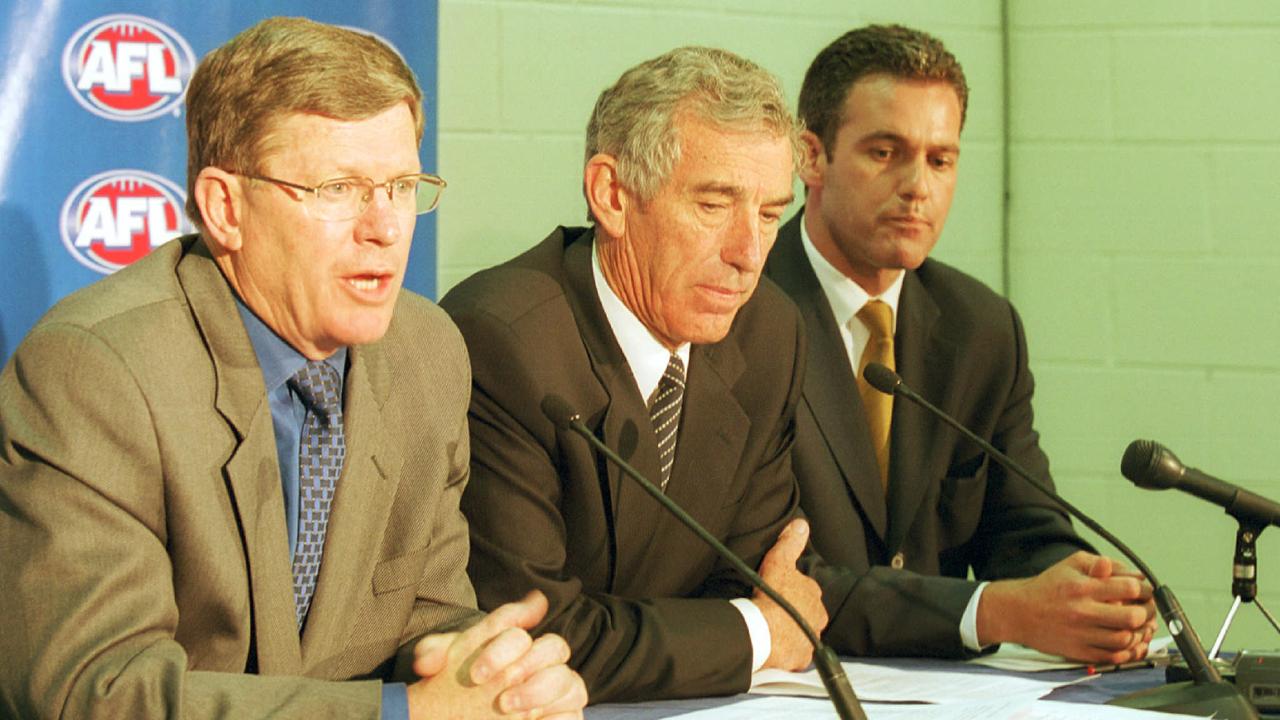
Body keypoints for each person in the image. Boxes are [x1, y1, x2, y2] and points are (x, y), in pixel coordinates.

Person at [0, 17, 584, 720]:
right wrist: (405, 713)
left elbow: (429, 612)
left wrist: (492, 673)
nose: (386, 227)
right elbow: (91, 689)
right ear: (225, 207)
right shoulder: (97, 372)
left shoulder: (426, 350)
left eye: (402, 185)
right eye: (338, 189)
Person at [441, 47, 858, 703]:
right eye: (715, 204)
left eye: (772, 213)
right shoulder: (503, 340)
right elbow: (531, 635)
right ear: (612, 195)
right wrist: (752, 634)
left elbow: (765, 575)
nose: (749, 254)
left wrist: (745, 620)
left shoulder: (767, 330)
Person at [764, 23, 1156, 662]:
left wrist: (1089, 595)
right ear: (811, 157)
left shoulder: (980, 326)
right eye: (885, 152)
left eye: (941, 159)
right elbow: (776, 570)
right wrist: (996, 610)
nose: (918, 185)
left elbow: (1023, 530)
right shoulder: (740, 313)